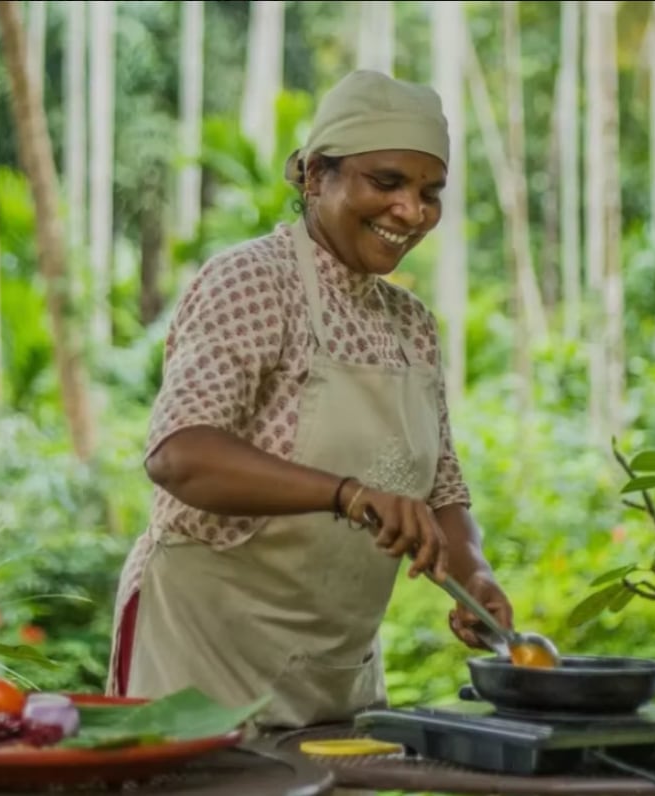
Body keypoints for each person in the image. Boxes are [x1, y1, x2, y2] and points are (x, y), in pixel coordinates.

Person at [108, 69, 514, 729]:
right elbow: (180, 454)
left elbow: (441, 489)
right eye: (385, 182)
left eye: (428, 192)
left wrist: (473, 575)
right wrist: (348, 494)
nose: (410, 211)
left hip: (331, 674)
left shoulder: (410, 325)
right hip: (203, 657)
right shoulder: (251, 282)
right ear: (313, 177)